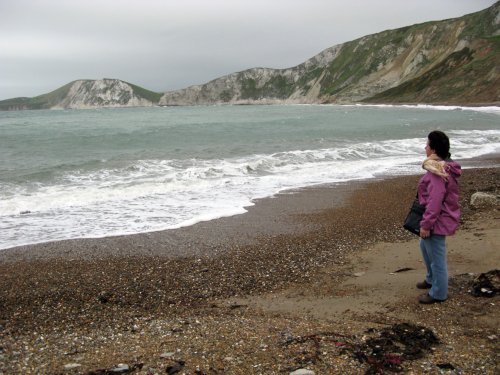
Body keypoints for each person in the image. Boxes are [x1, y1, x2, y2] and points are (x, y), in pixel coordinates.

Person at [416, 130, 461, 304]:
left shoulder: (437, 171)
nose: (425, 147)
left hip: (437, 219)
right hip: (441, 216)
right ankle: (430, 278)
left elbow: (435, 201)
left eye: (427, 144)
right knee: (425, 245)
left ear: (434, 150)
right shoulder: (444, 166)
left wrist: (426, 224)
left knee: (437, 257)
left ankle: (438, 293)